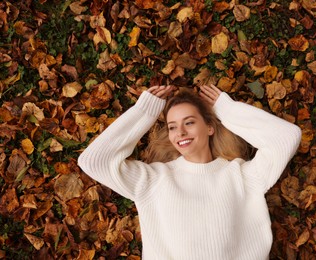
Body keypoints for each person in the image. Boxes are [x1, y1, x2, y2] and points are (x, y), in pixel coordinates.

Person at [78, 84, 302, 260]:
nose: (180, 132)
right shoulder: (153, 180)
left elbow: (286, 138)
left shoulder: (242, 176)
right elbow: (94, 161)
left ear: (210, 127)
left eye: (190, 122)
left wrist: (228, 110)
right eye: (172, 126)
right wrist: (145, 111)